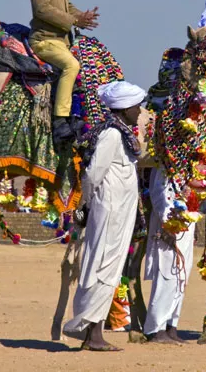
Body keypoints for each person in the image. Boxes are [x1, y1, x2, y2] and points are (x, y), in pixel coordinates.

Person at [62, 81, 146, 351]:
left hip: (119, 213)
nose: (139, 111)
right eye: (136, 107)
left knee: (109, 267)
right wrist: (85, 204)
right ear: (124, 108)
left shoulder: (122, 134)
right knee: (102, 267)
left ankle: (93, 333)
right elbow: (93, 174)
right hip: (109, 211)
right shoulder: (111, 134)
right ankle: (93, 334)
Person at [26, 0, 100, 143]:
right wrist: (73, 21)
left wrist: (81, 16)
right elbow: (42, 8)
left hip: (62, 40)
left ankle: (77, 115)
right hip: (44, 40)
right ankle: (60, 120)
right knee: (71, 65)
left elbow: (65, 5)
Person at [143, 162, 194, 344]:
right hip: (169, 224)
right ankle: (156, 328)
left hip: (186, 223)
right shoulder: (165, 162)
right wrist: (168, 222)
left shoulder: (189, 164)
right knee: (167, 274)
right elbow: (159, 194)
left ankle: (172, 325)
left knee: (182, 275)